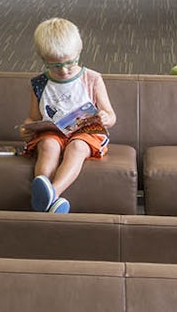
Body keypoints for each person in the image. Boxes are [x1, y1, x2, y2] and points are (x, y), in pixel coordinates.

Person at [19, 17, 116, 214]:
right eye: (54, 65)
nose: (63, 70)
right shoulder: (39, 84)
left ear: (79, 53)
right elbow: (33, 117)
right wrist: (26, 128)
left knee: (78, 147)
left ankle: (51, 194)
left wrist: (106, 117)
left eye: (69, 64)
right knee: (47, 145)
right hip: (53, 132)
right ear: (43, 60)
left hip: (87, 132)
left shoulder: (92, 79)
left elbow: (111, 114)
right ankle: (48, 196)